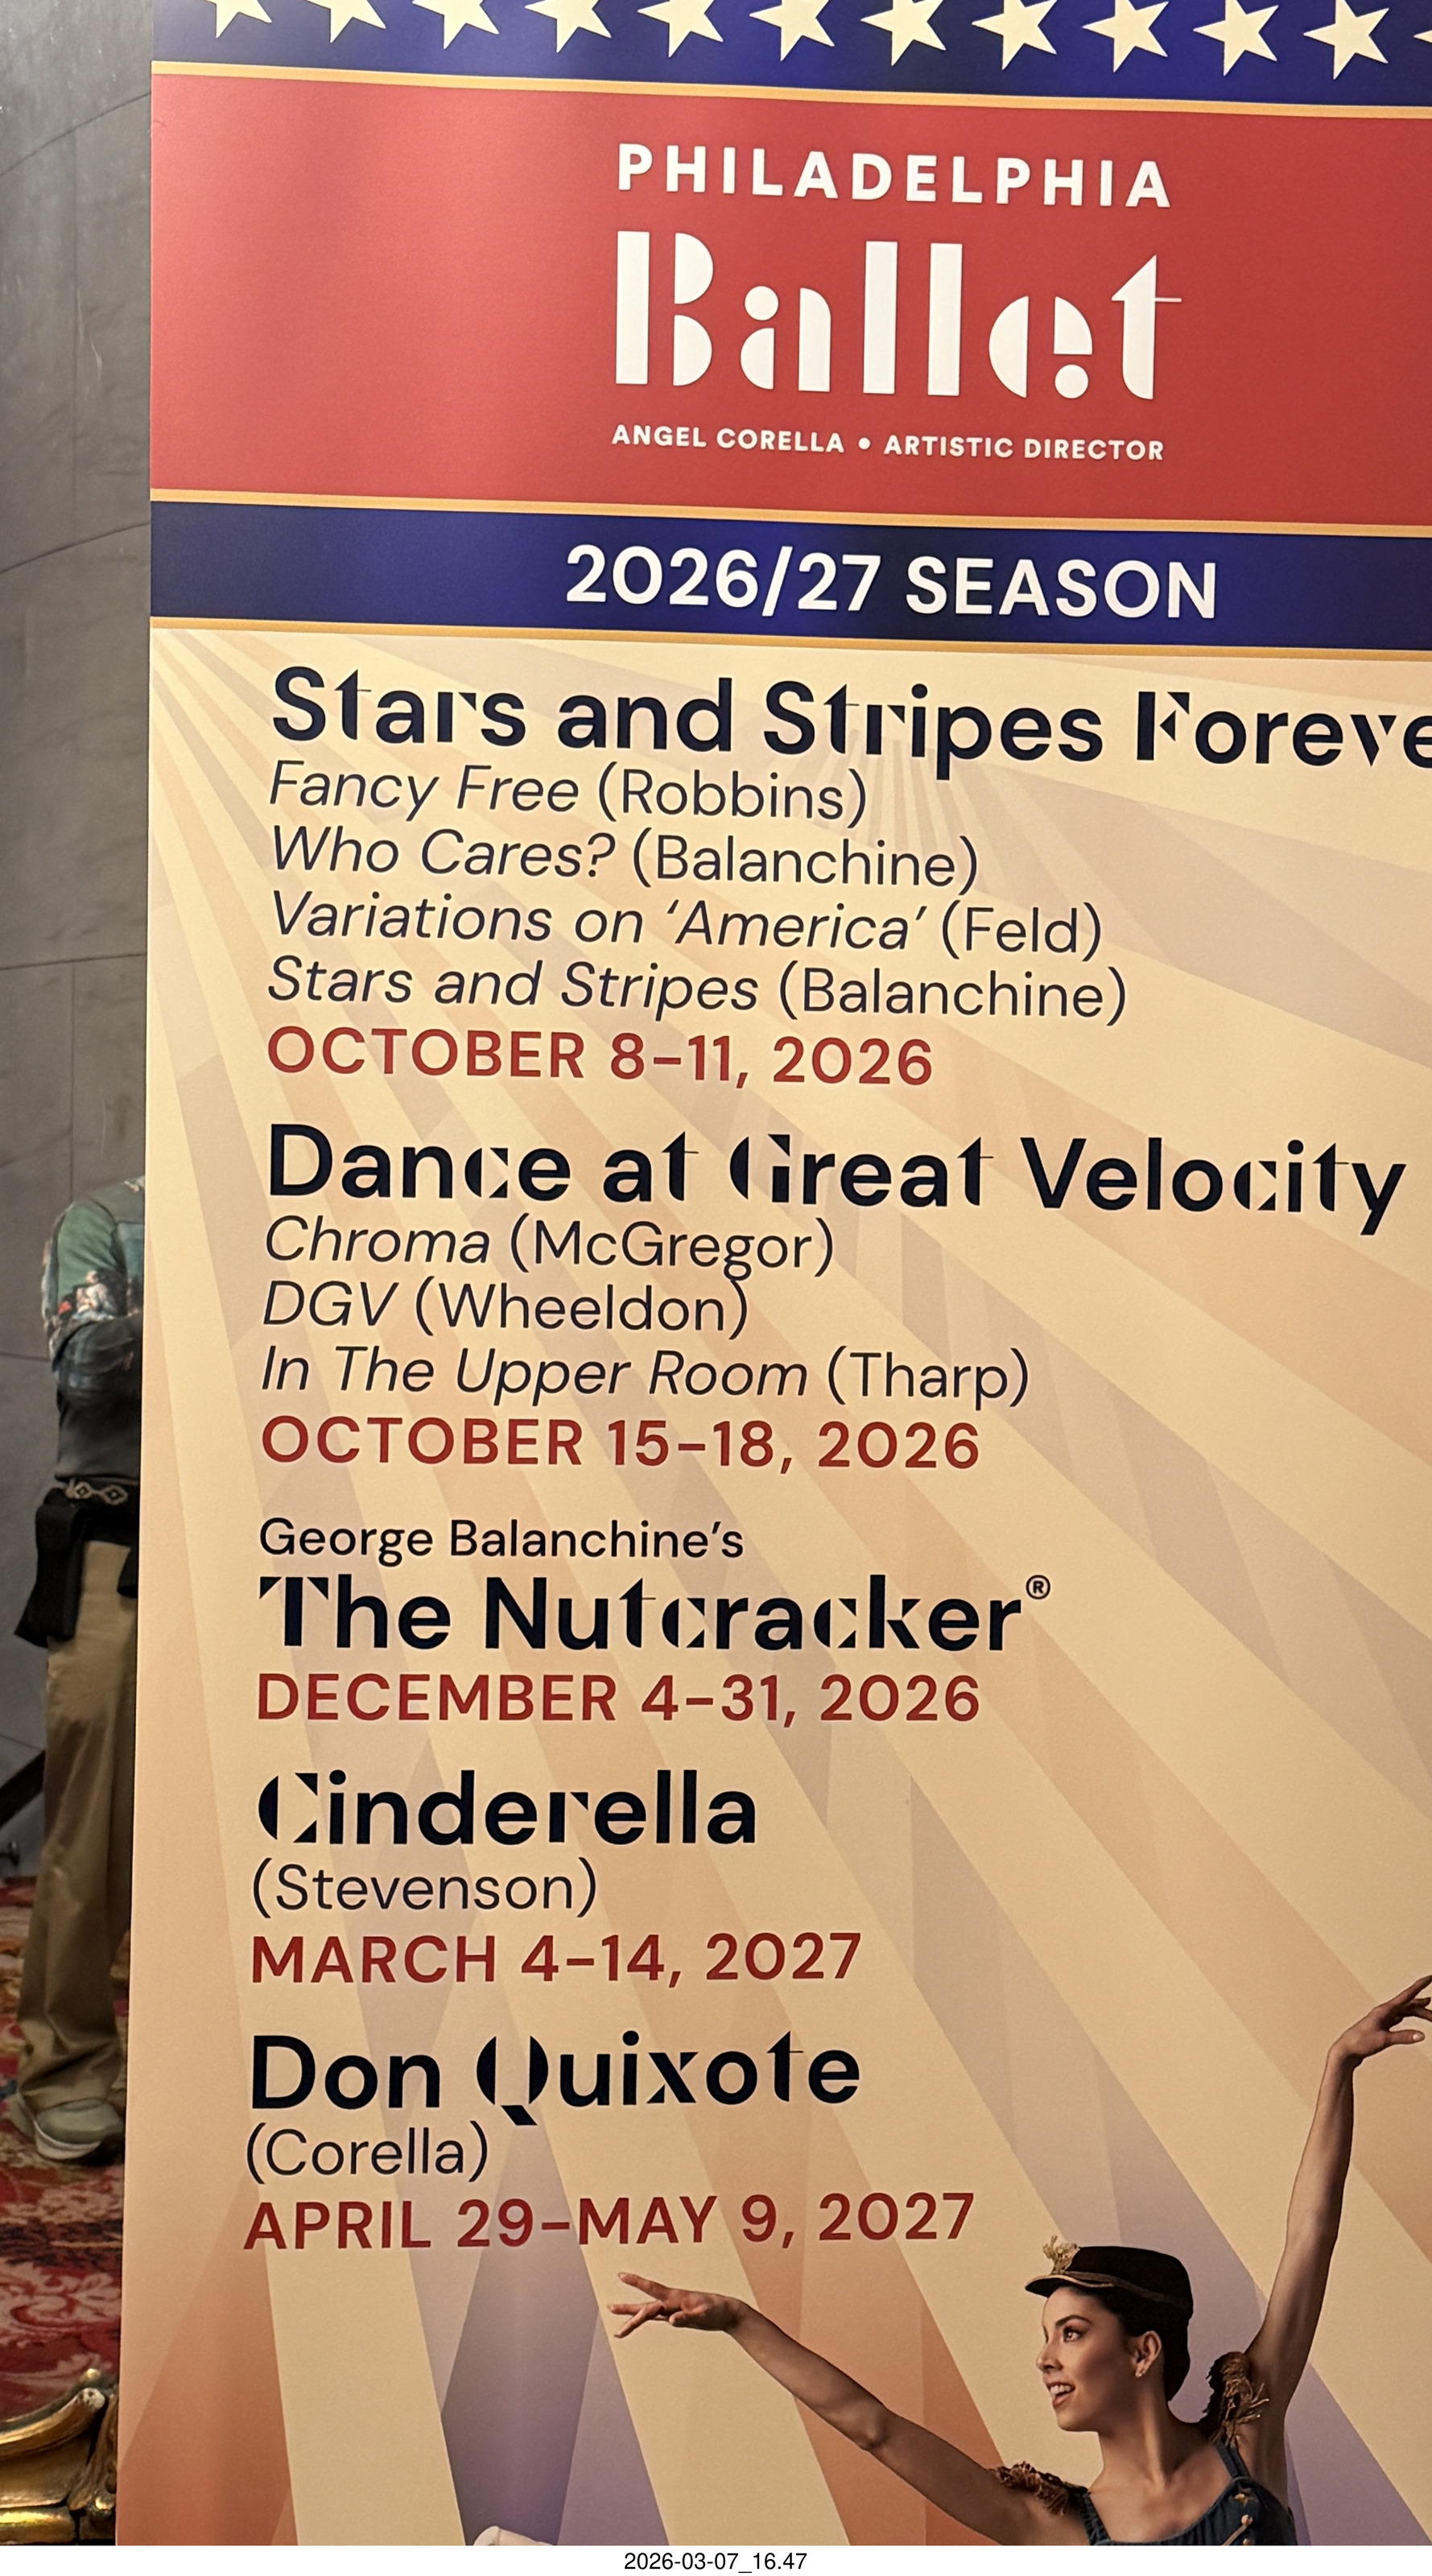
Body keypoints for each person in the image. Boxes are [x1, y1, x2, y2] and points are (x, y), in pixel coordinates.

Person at [612, 1976, 1430, 2545]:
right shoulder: (1055, 2524)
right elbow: (874, 2427)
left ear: (1142, 2350)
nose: (1044, 2358)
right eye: (1048, 2335)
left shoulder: (1246, 2438)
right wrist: (742, 2322)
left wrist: (1337, 2067)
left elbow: (1310, 2232)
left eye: (1071, 2332)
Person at [8, 1179, 144, 2165]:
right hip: (121, 1551)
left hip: (264, 1560)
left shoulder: (296, 1228)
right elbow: (87, 1364)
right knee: (92, 1828)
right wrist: (220, 1285)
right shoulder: (106, 1222)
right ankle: (67, 2070)